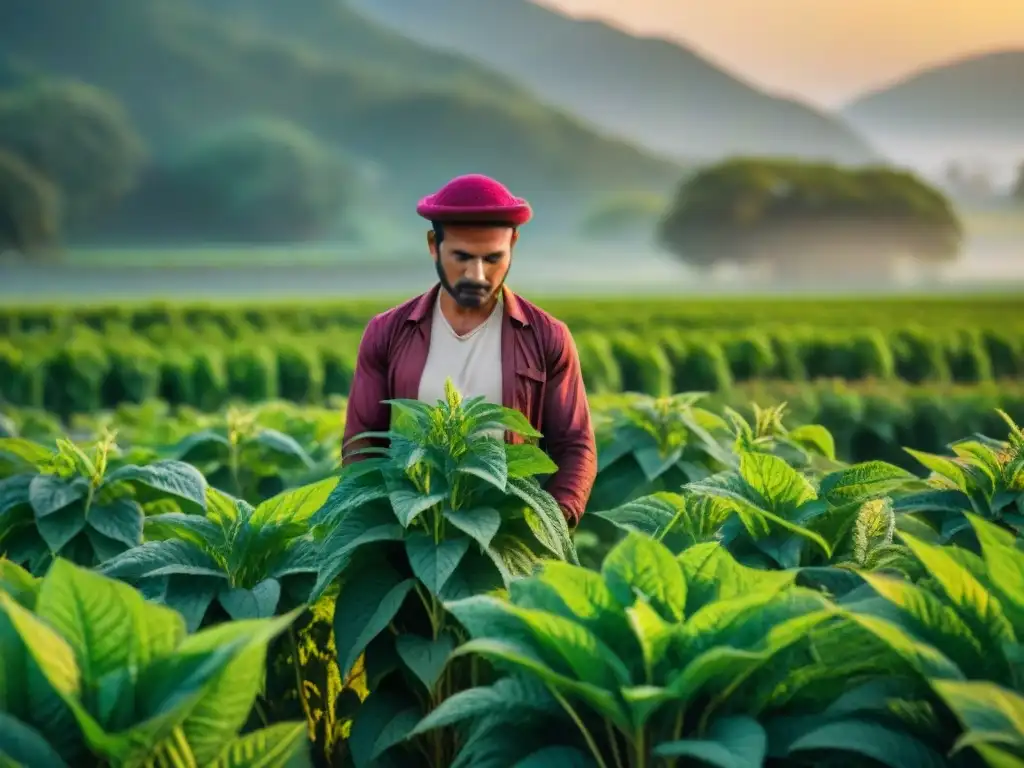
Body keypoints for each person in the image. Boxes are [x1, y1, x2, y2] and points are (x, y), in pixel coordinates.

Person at [342, 173, 597, 527]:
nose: (477, 274)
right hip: (411, 531)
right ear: (433, 244)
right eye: (462, 257)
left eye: (493, 258)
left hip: (506, 533)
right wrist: (380, 522)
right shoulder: (387, 332)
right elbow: (362, 444)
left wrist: (547, 524)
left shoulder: (547, 337)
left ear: (514, 245)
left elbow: (575, 447)